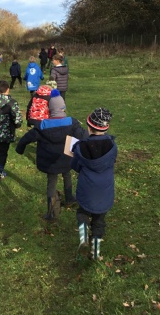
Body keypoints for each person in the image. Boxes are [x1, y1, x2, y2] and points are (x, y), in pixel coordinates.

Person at [16, 90, 88, 221]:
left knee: (51, 183)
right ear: (63, 108)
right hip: (66, 158)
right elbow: (83, 136)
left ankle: (51, 212)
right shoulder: (72, 123)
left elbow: (26, 138)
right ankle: (69, 198)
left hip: (50, 161)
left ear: (49, 109)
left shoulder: (42, 126)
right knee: (67, 175)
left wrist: (20, 148)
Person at [71, 107, 118, 260]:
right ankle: (95, 252)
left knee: (82, 212)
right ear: (106, 128)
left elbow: (75, 166)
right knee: (99, 221)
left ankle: (83, 236)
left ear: (89, 127)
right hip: (104, 190)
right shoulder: (113, 146)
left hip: (87, 187)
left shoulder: (80, 147)